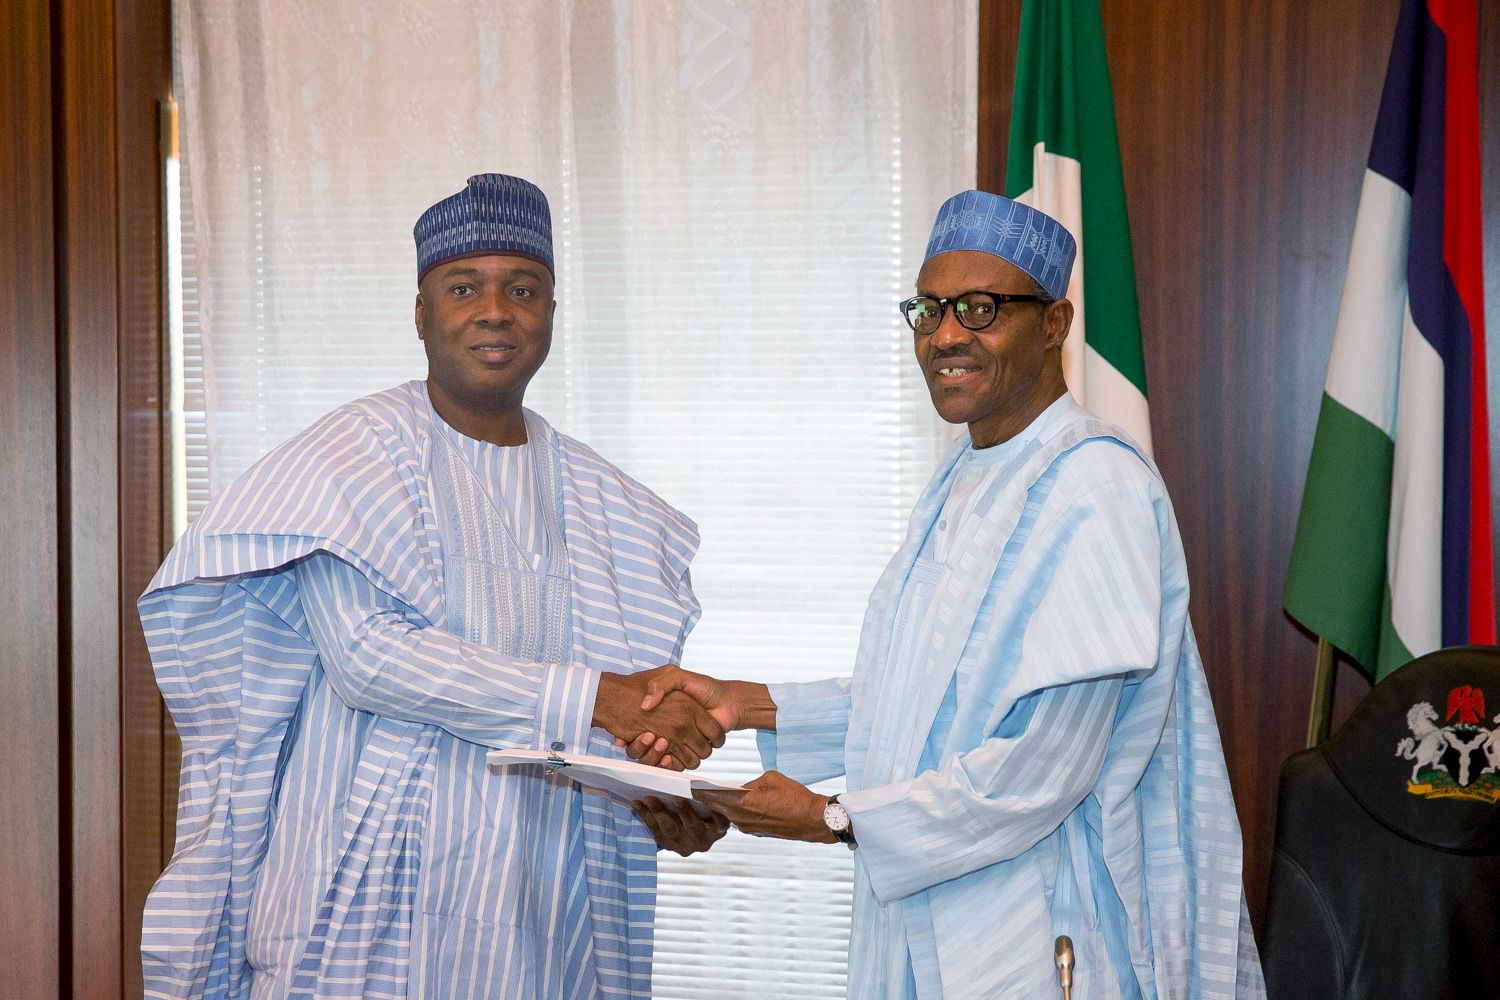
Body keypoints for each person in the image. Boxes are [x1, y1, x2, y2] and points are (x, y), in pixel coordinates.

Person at [630, 191, 1267, 998]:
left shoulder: (1096, 484)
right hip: (931, 915)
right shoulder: (964, 474)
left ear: (1053, 324)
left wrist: (835, 818)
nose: (946, 336)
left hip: (1041, 935)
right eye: (929, 310)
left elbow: (1044, 765)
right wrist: (744, 703)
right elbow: (934, 699)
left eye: (980, 308)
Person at [138, 173, 729, 999]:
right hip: (361, 900)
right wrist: (599, 700)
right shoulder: (349, 458)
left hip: (543, 903)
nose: (496, 310)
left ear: (553, 314)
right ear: (420, 314)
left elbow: (630, 709)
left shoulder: (611, 506)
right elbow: (368, 659)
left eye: (523, 289)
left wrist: (669, 798)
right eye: (464, 288)